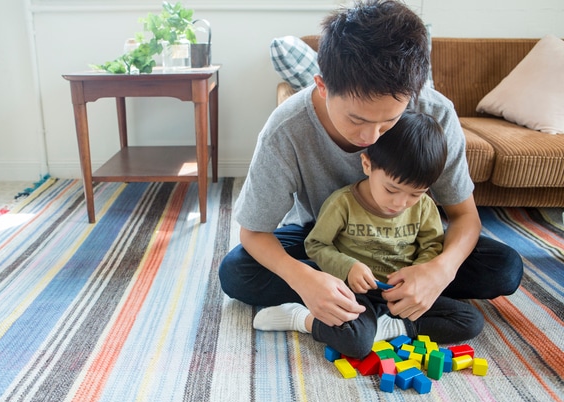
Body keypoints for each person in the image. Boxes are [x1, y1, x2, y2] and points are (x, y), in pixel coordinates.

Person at [219, 0, 522, 332]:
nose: (370, 136)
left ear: (412, 95)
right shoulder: (287, 129)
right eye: (356, 119)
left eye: (389, 121)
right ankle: (369, 300)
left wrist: (438, 270)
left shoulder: (435, 113)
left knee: (505, 268)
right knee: (236, 272)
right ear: (322, 86)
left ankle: (365, 305)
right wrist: (305, 278)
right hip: (325, 237)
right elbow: (253, 231)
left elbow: (465, 216)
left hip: (407, 244)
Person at [252, 112, 484, 358]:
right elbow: (316, 244)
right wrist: (348, 267)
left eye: (415, 194)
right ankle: (300, 318)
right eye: (391, 189)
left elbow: (432, 246)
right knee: (356, 343)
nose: (401, 203)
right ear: (367, 165)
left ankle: (390, 327)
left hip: (402, 296)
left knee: (471, 321)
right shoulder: (343, 203)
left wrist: (420, 272)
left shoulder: (425, 207)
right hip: (356, 292)